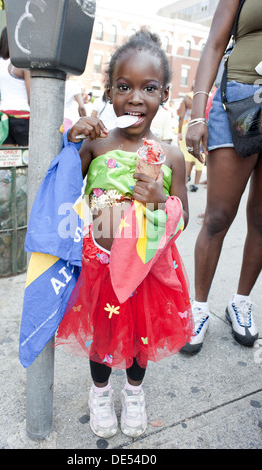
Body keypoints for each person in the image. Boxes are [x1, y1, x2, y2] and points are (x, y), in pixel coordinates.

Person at [55, 29, 194, 439]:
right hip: (100, 261)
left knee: (139, 336)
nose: (135, 97)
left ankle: (134, 392)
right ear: (109, 91)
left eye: (148, 88)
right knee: (102, 334)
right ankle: (100, 392)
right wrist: (71, 138)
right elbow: (62, 183)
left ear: (165, 94)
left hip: (147, 267)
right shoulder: (97, 145)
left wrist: (158, 202)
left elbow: (182, 217)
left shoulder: (170, 155)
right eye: (124, 86)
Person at [182, 0, 261, 354]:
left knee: (261, 220)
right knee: (216, 218)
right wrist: (197, 114)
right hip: (238, 103)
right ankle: (198, 308)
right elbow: (215, 42)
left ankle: (240, 302)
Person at [0, 27, 30, 146]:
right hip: (23, 116)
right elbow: (31, 98)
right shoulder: (23, 63)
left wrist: (6, 108)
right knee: (28, 159)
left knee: (9, 158)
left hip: (3, 118)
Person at [178, 87, 205, 191]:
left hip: (188, 126)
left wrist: (179, 132)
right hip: (202, 126)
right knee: (200, 154)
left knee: (187, 155)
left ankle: (184, 181)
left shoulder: (186, 98)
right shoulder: (204, 97)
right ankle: (196, 184)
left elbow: (181, 116)